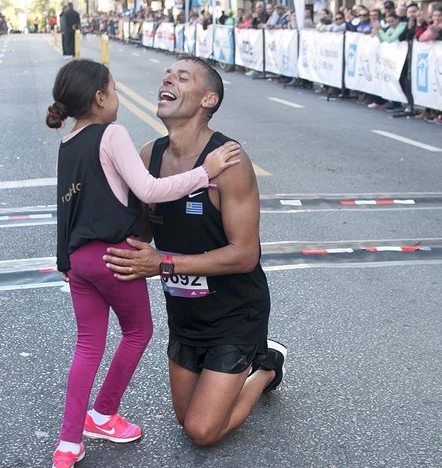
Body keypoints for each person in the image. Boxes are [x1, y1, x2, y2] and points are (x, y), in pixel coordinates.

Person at [45, 59, 241, 468]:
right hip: (116, 256)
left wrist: (64, 256)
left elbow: (66, 204)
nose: (117, 98)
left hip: (78, 261)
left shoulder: (67, 142)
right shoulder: (111, 133)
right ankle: (103, 413)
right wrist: (207, 171)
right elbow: (150, 188)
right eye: (114, 91)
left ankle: (68, 443)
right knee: (138, 331)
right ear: (100, 99)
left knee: (87, 345)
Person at [102, 55, 288, 446]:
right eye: (166, 75)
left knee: (202, 431)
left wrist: (161, 264)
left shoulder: (228, 161)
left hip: (236, 312)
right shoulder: (149, 155)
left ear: (208, 100)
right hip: (185, 311)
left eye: (181, 78)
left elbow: (245, 254)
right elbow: (138, 233)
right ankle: (234, 374)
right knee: (185, 418)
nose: (167, 81)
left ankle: (266, 367)